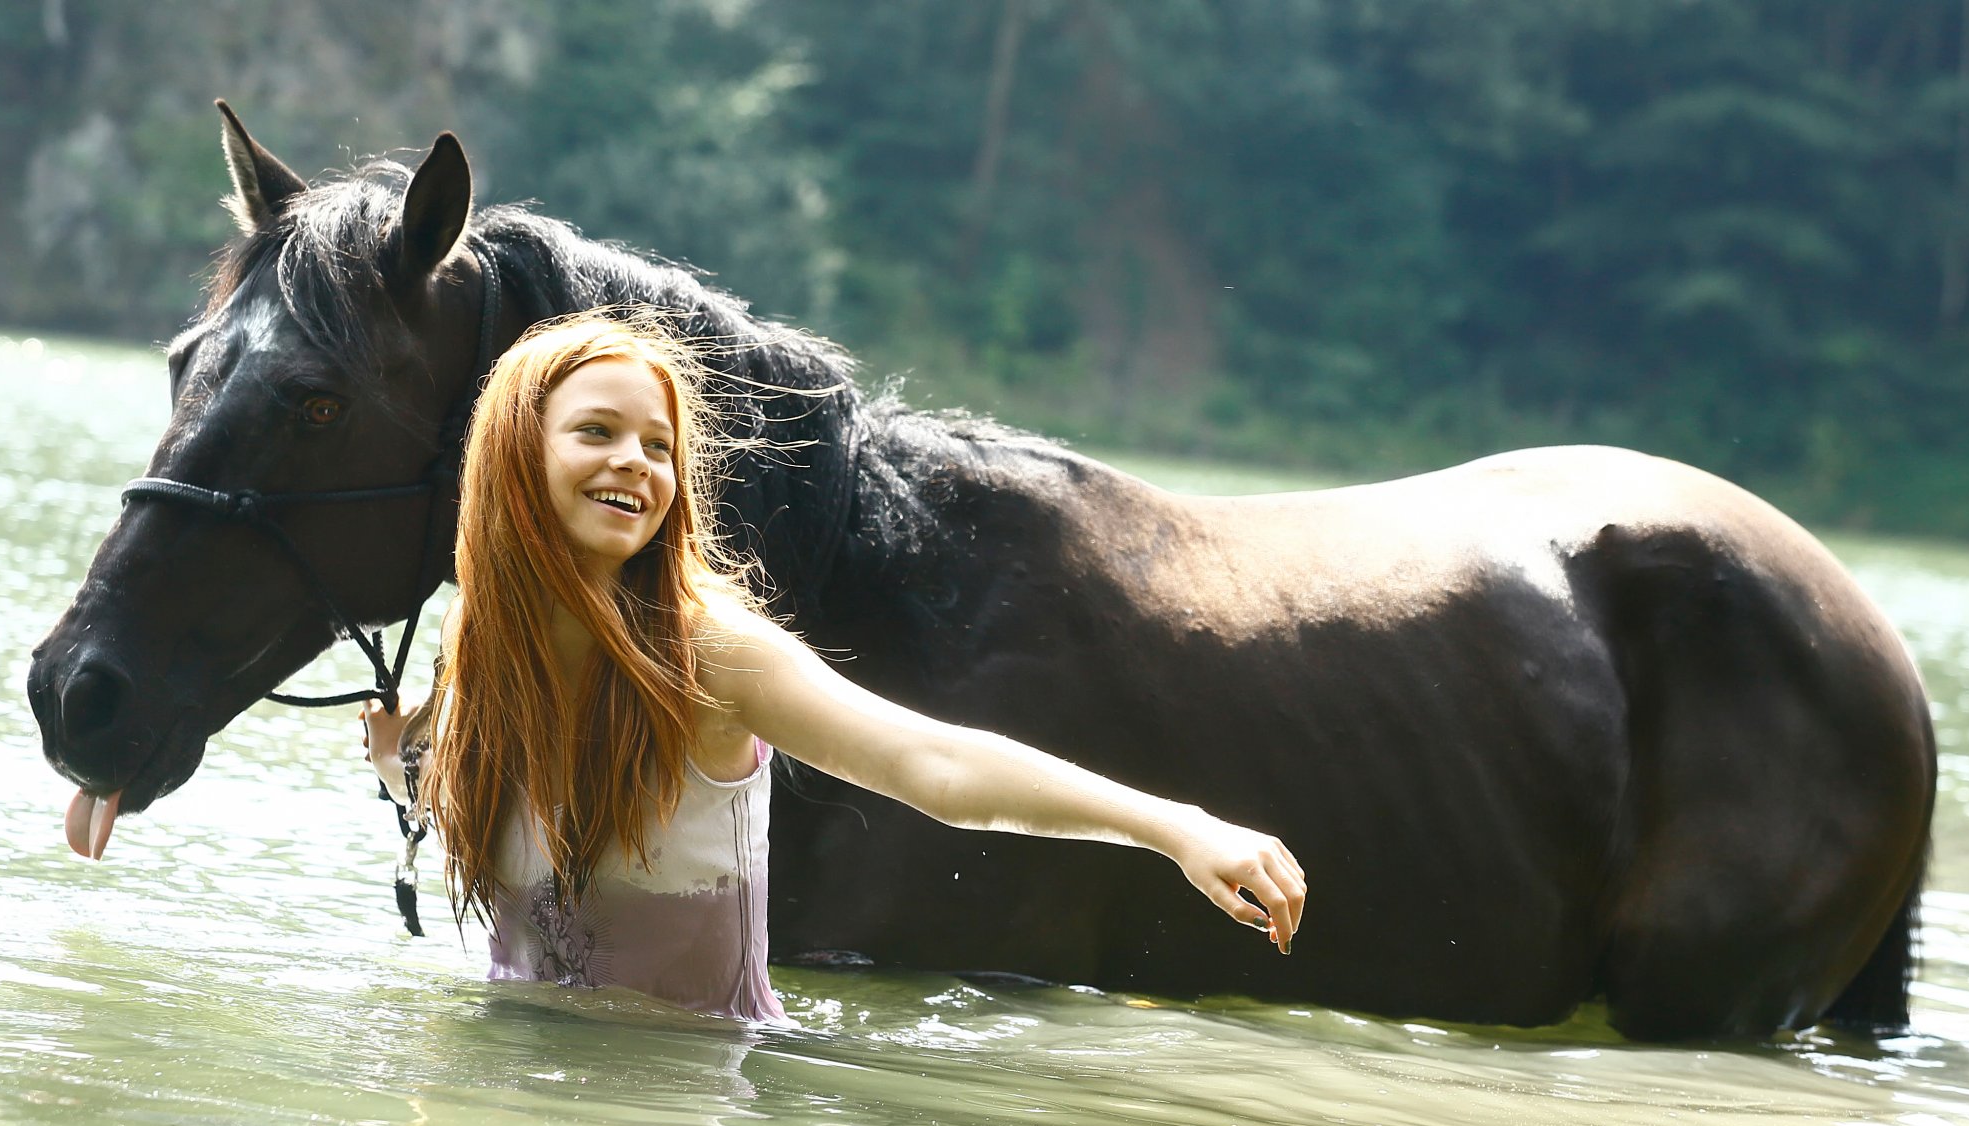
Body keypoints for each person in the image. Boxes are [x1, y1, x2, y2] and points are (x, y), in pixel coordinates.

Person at [362, 309, 1306, 1024]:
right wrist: (409, 763)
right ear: (514, 455)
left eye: (659, 445)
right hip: (505, 1078)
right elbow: (524, 832)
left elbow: (931, 764)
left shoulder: (711, 653)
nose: (637, 463)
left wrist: (1176, 827)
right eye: (597, 432)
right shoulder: (478, 646)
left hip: (678, 1106)